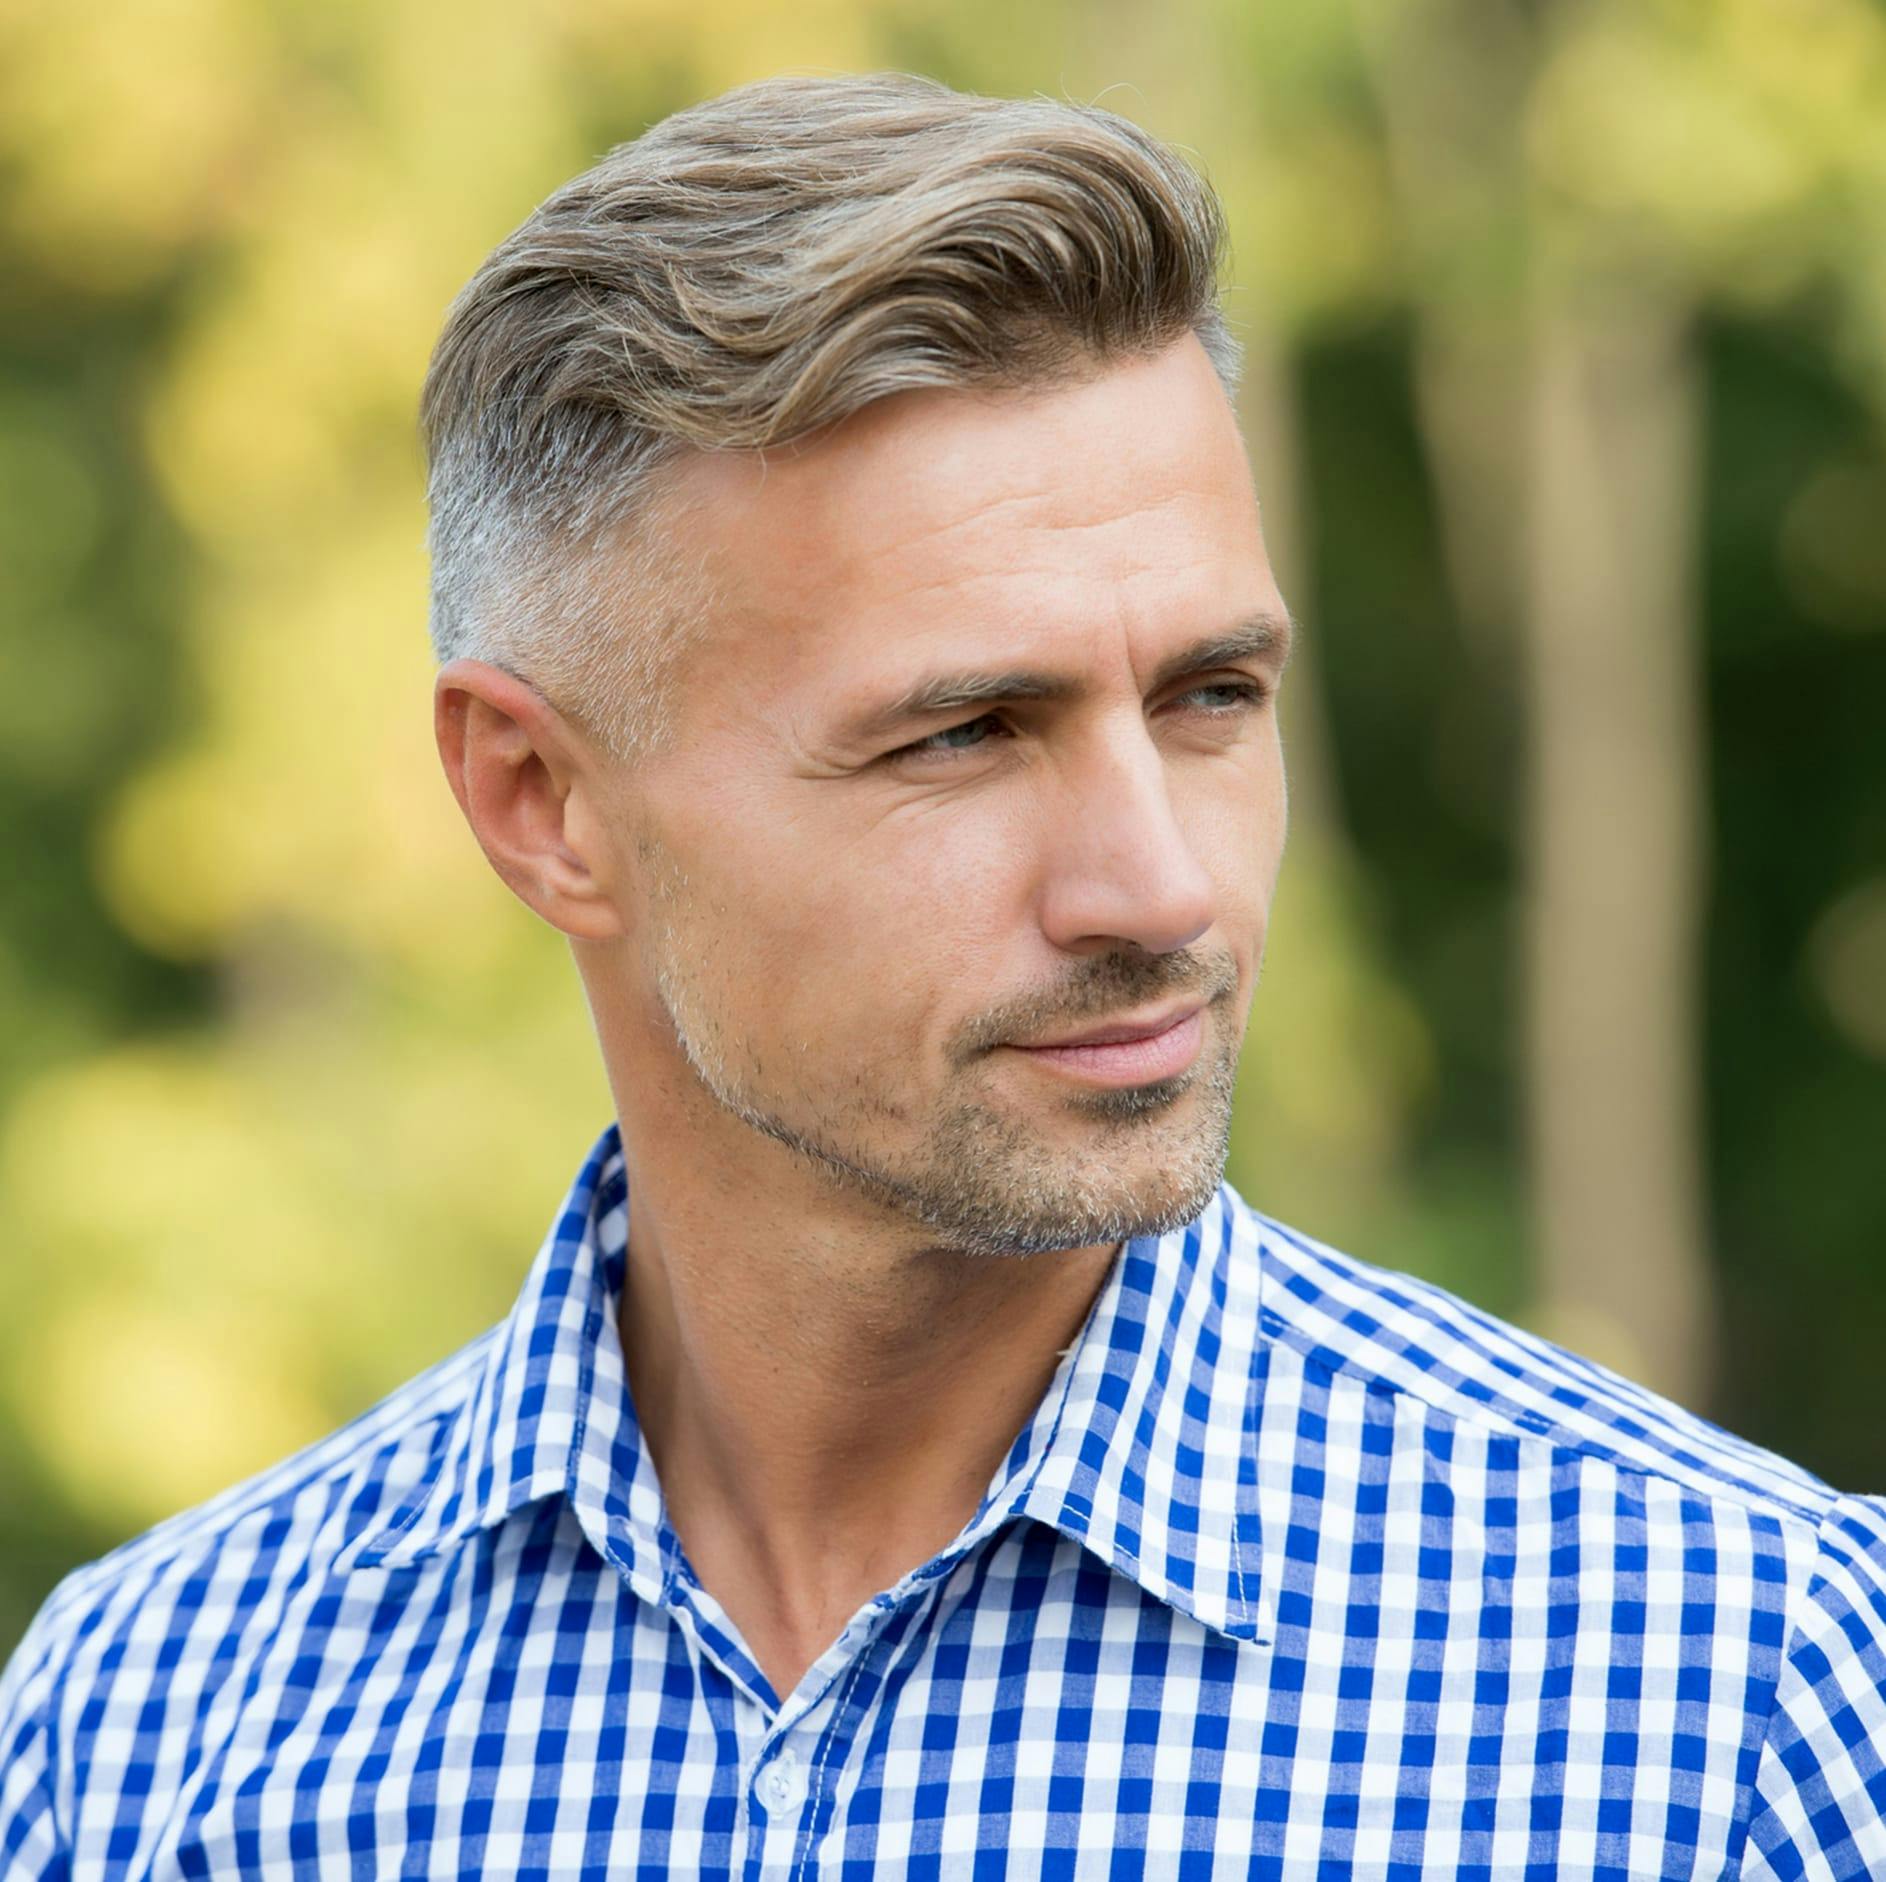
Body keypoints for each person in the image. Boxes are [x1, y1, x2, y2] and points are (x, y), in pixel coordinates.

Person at [3, 69, 1882, 1882]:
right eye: (967, 733)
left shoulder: (1731, 1707)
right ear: (540, 800)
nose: (1156, 884)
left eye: (1210, 697)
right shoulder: (153, 1738)